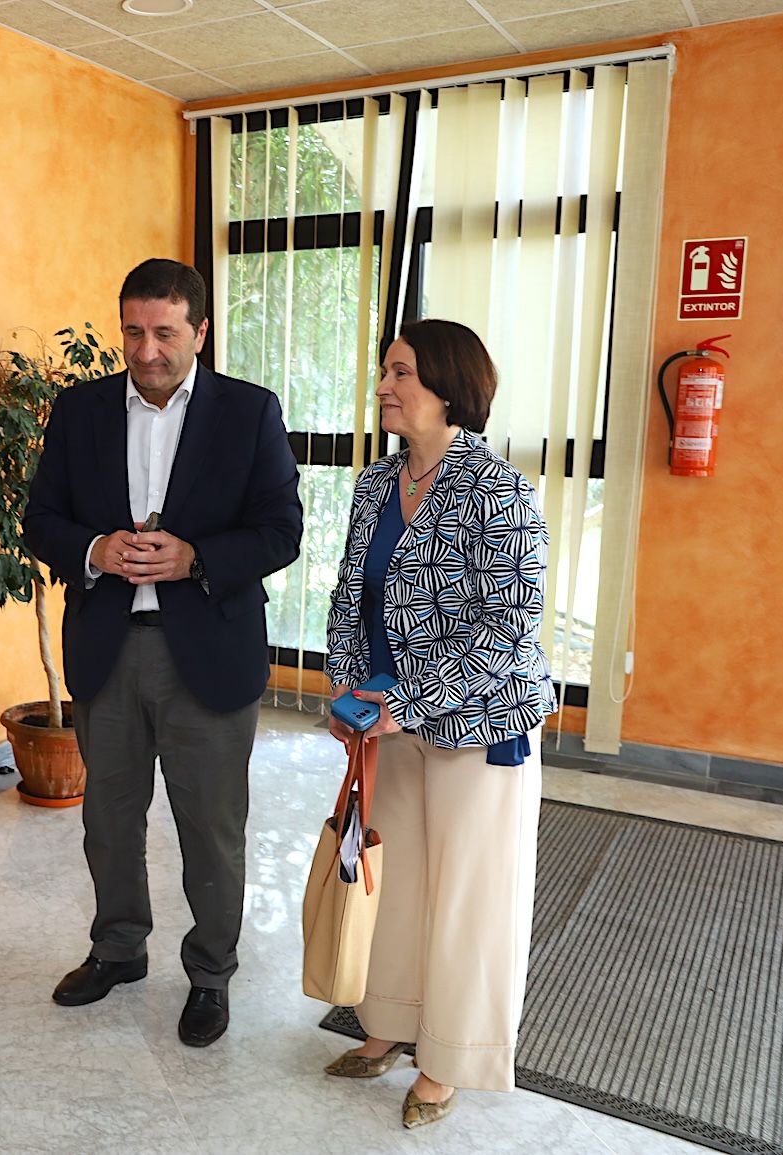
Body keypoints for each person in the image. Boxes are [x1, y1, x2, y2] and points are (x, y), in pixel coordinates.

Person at [22, 259, 303, 1047]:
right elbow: (40, 520)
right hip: (108, 651)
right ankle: (118, 949)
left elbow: (282, 528)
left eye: (166, 333)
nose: (147, 351)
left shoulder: (248, 413)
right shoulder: (78, 412)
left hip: (207, 656)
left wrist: (198, 558)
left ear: (201, 331)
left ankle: (210, 974)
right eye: (134, 332)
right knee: (109, 819)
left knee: (210, 827)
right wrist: (94, 547)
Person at [322, 319, 558, 1129]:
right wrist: (347, 691)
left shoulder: (500, 490)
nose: (384, 386)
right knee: (398, 883)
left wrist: (406, 699)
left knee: (467, 900)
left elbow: (508, 630)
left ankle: (448, 1061)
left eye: (400, 373)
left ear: (449, 388)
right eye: (385, 371)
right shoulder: (373, 483)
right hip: (388, 722)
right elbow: (351, 597)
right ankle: (385, 1024)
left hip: (478, 726)